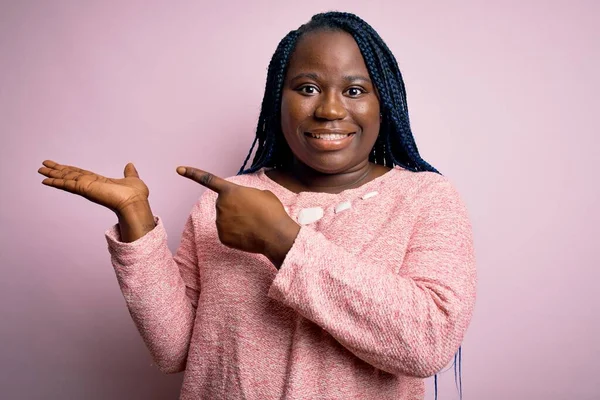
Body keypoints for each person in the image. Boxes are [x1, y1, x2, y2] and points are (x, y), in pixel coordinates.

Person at [37, 11, 476, 400]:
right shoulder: (223, 200)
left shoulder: (426, 198)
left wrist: (282, 240)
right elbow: (174, 350)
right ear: (276, 101)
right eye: (307, 87)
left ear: (385, 104)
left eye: (355, 90)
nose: (329, 109)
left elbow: (429, 343)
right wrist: (136, 221)